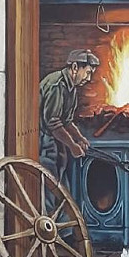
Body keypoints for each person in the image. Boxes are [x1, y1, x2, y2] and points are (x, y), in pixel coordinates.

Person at [39, 49, 100, 183]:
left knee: (60, 181)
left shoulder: (71, 88)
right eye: (88, 73)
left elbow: (67, 121)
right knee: (50, 183)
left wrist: (80, 138)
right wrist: (72, 145)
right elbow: (53, 122)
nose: (89, 78)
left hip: (55, 140)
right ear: (75, 67)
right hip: (43, 142)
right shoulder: (56, 85)